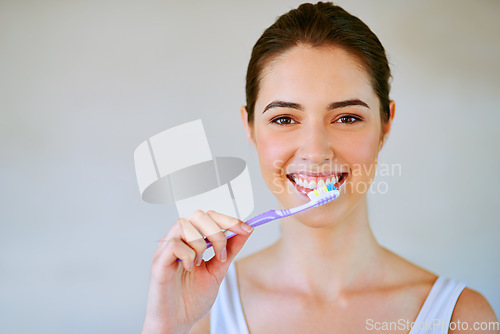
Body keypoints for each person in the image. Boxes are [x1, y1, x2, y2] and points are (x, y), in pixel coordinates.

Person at [141, 2, 498, 333]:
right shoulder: (205, 313)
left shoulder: (460, 318)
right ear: (249, 127)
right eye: (284, 119)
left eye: (346, 117)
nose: (315, 151)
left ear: (385, 124)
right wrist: (166, 326)